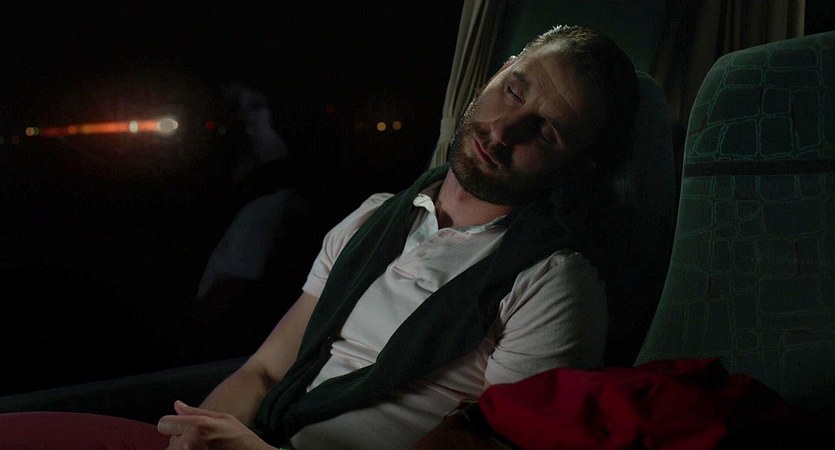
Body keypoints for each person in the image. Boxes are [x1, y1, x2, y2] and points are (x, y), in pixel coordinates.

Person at [0, 24, 638, 450]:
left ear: (575, 166)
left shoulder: (554, 282)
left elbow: (496, 444)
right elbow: (263, 371)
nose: (503, 130)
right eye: (513, 91)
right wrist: (197, 438)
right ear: (491, 79)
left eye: (546, 131)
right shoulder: (374, 218)